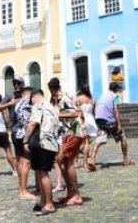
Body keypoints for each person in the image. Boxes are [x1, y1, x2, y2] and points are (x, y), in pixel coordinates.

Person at [23, 89, 60, 216]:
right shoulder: (50, 106)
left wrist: (25, 140)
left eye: (31, 99)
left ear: (34, 97)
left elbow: (33, 123)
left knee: (43, 174)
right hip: (51, 142)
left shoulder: (38, 105)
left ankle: (49, 204)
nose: (31, 102)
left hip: (42, 142)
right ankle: (43, 201)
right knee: (40, 173)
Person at [48, 77, 84, 206]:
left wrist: (57, 115)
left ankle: (76, 195)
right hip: (66, 134)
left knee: (67, 163)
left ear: (52, 89)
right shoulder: (56, 99)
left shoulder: (64, 98)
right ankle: (70, 193)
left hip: (73, 132)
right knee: (60, 161)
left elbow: (75, 113)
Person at [0, 82, 36, 200]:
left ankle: (22, 187)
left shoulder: (20, 102)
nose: (15, 85)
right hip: (22, 132)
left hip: (17, 132)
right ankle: (23, 189)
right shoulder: (22, 100)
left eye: (18, 83)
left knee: (21, 160)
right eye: (14, 83)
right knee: (25, 162)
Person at [90, 82, 133, 170]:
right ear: (117, 89)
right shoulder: (115, 97)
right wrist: (119, 125)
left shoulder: (102, 96)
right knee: (122, 137)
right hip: (109, 121)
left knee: (98, 140)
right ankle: (125, 160)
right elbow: (116, 111)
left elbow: (95, 107)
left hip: (99, 120)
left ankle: (92, 159)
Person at [75, 88, 97, 168]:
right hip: (91, 120)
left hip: (82, 120)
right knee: (87, 143)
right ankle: (85, 163)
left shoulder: (79, 98)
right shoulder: (92, 99)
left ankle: (76, 162)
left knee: (78, 143)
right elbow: (94, 112)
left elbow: (77, 111)